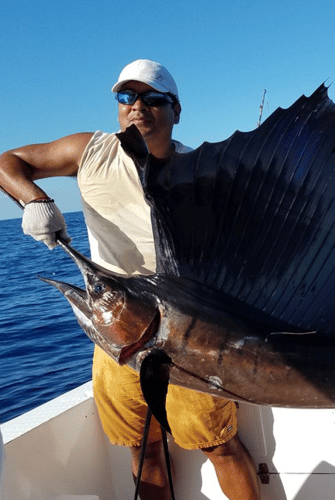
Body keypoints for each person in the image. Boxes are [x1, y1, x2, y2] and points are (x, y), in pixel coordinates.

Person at [0, 59, 260, 500]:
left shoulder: (200, 176)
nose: (138, 106)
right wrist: (34, 201)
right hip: (115, 334)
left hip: (187, 336)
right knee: (143, 447)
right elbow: (10, 161)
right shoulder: (89, 151)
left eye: (153, 98)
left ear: (176, 110)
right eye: (127, 97)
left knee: (218, 445)